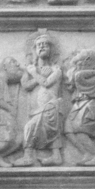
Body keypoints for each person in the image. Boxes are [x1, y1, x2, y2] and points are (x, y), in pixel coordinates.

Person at [16, 32, 63, 166]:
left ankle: (28, 156)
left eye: (45, 45)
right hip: (38, 109)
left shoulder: (56, 69)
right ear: (34, 51)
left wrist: (34, 73)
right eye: (38, 45)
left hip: (51, 105)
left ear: (51, 50)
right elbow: (26, 85)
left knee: (33, 128)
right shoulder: (33, 69)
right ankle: (56, 156)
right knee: (49, 131)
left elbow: (46, 83)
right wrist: (30, 73)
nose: (42, 47)